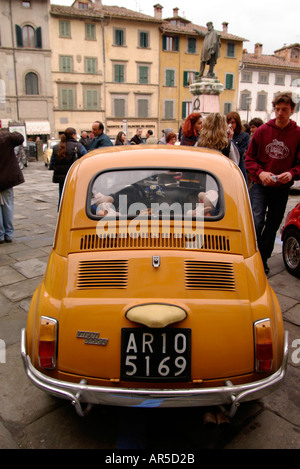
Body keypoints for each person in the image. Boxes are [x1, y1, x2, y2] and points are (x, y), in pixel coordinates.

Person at [245, 92, 300, 274]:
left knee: (272, 226)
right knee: (256, 221)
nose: (280, 113)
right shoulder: (262, 131)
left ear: (292, 110)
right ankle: (252, 257)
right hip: (260, 186)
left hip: (281, 188)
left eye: (284, 109)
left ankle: (262, 259)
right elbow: (249, 158)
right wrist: (260, 173)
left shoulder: (297, 133)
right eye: (277, 109)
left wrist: (291, 173)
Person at [50, 127, 87, 207]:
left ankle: (62, 213)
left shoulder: (56, 147)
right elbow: (86, 160)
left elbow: (52, 163)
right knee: (75, 196)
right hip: (74, 176)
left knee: (62, 196)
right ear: (73, 135)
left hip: (61, 177)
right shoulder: (78, 146)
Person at [0, 129, 25, 243]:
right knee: (8, 206)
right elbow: (19, 137)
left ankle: (0, 235)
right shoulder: (6, 138)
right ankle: (9, 234)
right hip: (6, 179)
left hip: (5, 179)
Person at [226, 112, 250, 180]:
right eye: (228, 122)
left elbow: (239, 153)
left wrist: (231, 139)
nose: (230, 125)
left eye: (232, 123)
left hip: (238, 168)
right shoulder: (224, 135)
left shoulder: (244, 136)